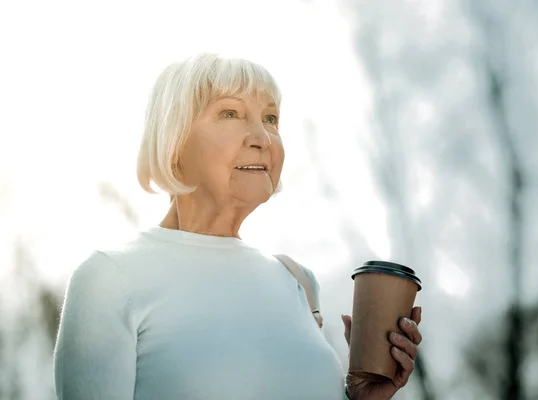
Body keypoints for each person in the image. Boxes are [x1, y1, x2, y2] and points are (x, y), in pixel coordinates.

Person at [53, 52, 423, 400]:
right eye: (230, 113)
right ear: (173, 141)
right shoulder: (108, 279)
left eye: (271, 119)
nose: (262, 139)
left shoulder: (298, 280)